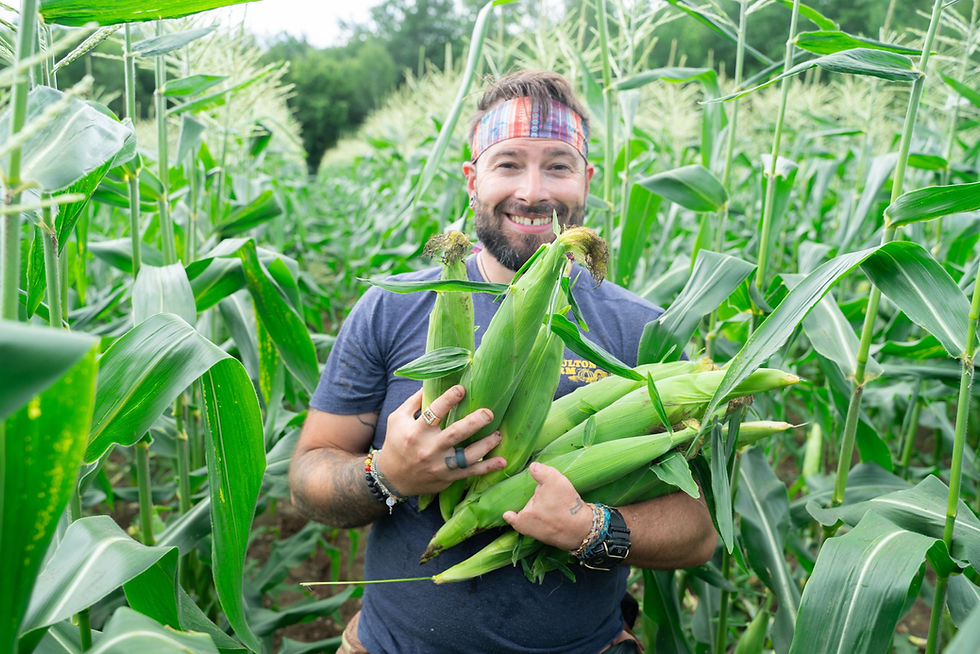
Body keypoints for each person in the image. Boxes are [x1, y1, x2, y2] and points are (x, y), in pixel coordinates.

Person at [289, 69, 717, 654]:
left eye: (558, 166)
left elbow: (697, 535)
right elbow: (308, 479)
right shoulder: (392, 308)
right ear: (473, 179)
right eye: (508, 163)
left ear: (587, 180)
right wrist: (386, 474)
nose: (533, 190)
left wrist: (589, 528)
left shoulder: (641, 330)